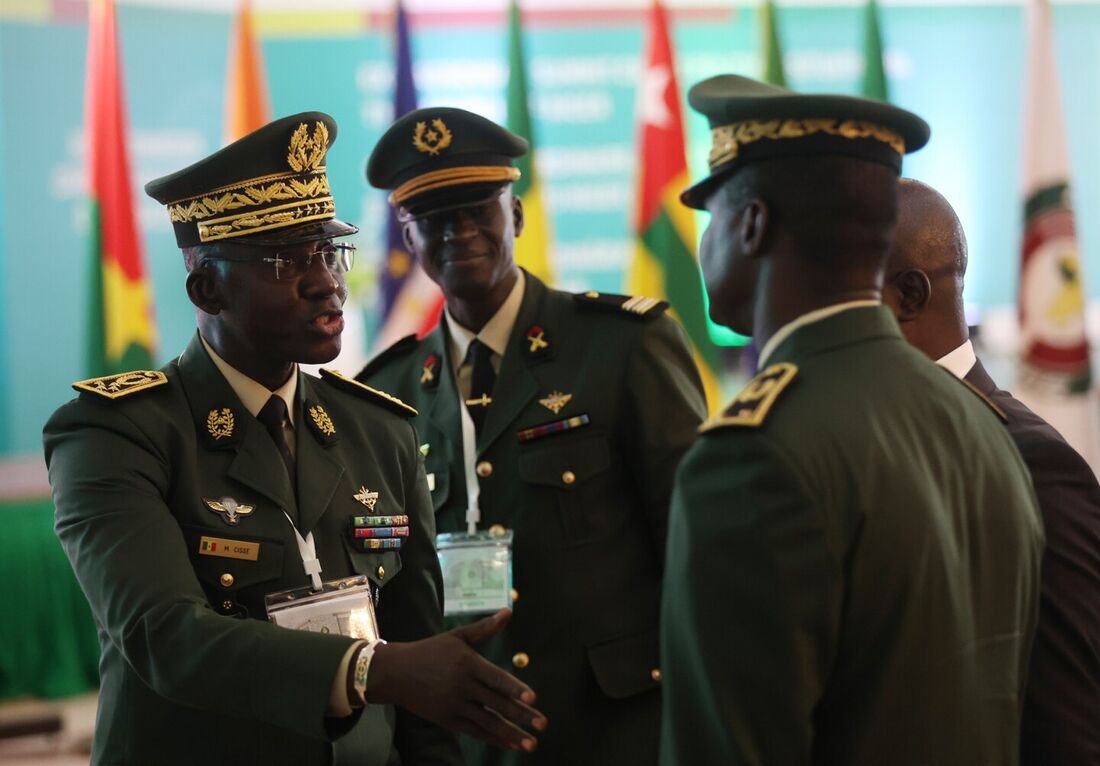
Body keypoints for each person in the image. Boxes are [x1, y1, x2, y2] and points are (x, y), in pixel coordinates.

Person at [43, 112, 546, 766]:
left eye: (330, 252)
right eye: (286, 259)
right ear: (207, 287)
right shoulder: (116, 433)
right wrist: (374, 672)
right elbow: (167, 638)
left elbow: (422, 671)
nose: (326, 282)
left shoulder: (380, 428)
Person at [660, 75, 1045, 765]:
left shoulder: (751, 456)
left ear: (751, 226)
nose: (704, 240)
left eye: (710, 214)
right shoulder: (983, 426)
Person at [357, 106, 707, 765]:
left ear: (515, 217)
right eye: (433, 219)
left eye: (476, 210)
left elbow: (696, 547)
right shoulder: (389, 390)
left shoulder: (621, 347)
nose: (458, 232)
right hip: (464, 737)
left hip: (615, 727)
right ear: (408, 237)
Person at [882, 177, 1100, 765]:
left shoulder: (1033, 462)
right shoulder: (879, 449)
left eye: (849, 301)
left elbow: (1069, 724)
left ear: (907, 295)